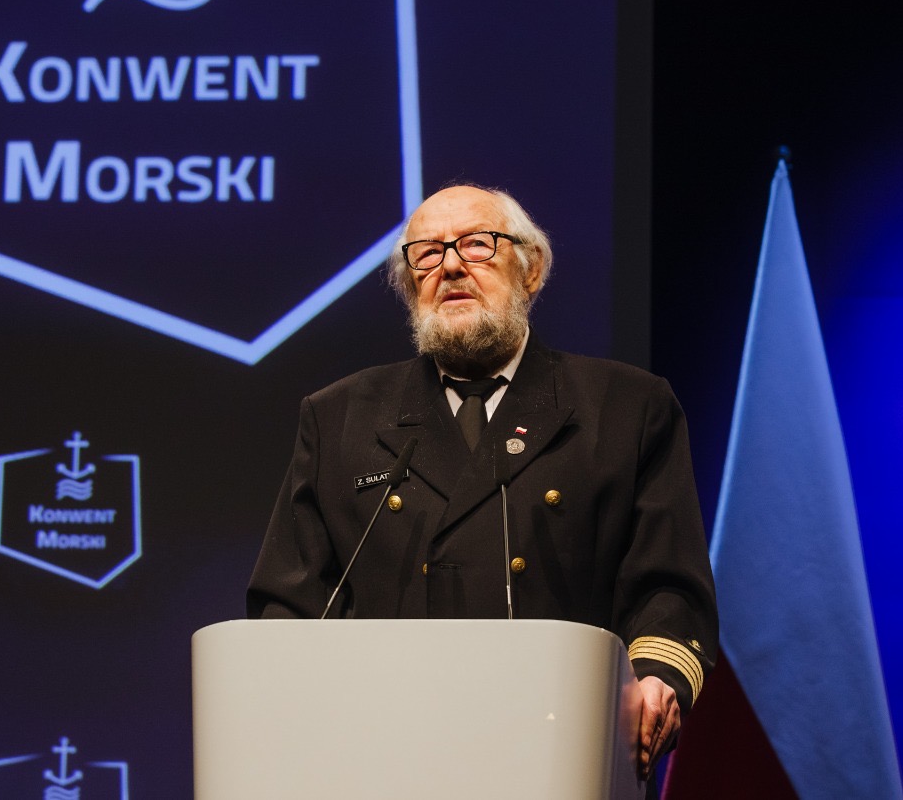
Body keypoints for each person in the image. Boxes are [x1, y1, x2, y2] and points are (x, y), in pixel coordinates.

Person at [246, 184, 717, 778]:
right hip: (384, 754)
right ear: (410, 287)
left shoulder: (626, 406)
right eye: (427, 253)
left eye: (476, 244)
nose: (449, 266)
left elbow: (668, 585)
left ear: (531, 269)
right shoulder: (341, 414)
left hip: (560, 748)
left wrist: (656, 680)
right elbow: (288, 605)